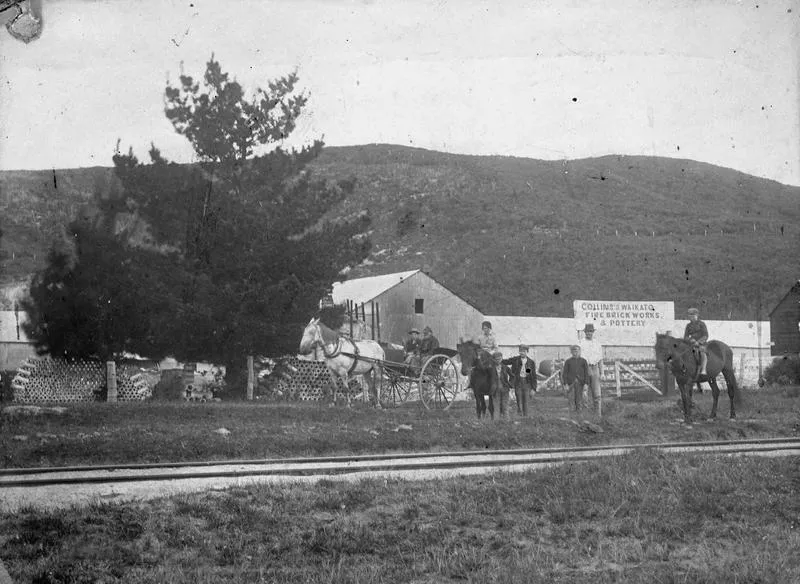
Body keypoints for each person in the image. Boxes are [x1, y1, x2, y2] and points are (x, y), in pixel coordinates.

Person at [502, 344, 537, 417]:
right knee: (519, 401)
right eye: (520, 351)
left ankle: (526, 418)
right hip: (518, 383)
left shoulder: (531, 362)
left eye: (523, 351)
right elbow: (505, 361)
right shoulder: (515, 360)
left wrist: (534, 388)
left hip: (527, 384)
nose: (521, 353)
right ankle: (520, 416)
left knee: (526, 402)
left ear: (527, 352)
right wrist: (497, 359)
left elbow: (533, 376)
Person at [578, 323, 603, 416]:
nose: (589, 333)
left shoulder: (597, 344)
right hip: (584, 368)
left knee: (597, 394)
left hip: (595, 368)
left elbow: (600, 359)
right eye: (588, 331)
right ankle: (585, 415)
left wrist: (602, 372)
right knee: (584, 393)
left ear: (593, 332)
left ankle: (598, 416)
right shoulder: (581, 343)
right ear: (585, 332)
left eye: (591, 331)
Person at [561, 345, 590, 414]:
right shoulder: (568, 361)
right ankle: (572, 417)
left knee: (580, 400)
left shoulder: (583, 361)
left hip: (581, 383)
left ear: (580, 351)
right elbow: (564, 374)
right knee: (571, 400)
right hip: (571, 383)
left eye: (577, 350)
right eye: (574, 350)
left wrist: (586, 383)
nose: (575, 352)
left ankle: (581, 416)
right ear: (571, 352)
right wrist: (566, 384)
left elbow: (586, 373)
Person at [683, 307, 708, 377]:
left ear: (697, 315)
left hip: (701, 343)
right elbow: (685, 337)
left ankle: (703, 369)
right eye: (690, 315)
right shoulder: (688, 326)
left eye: (693, 315)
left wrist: (699, 342)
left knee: (702, 352)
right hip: (691, 344)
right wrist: (691, 340)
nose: (691, 317)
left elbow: (705, 335)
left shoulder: (702, 324)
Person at [492, 351, 513, 420]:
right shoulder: (490, 369)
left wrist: (510, 384)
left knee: (505, 406)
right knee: (496, 406)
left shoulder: (505, 367)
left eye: (500, 359)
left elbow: (512, 376)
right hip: (495, 390)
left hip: (505, 389)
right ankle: (496, 422)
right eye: (496, 359)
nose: (498, 361)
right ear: (493, 360)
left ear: (502, 359)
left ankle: (507, 421)